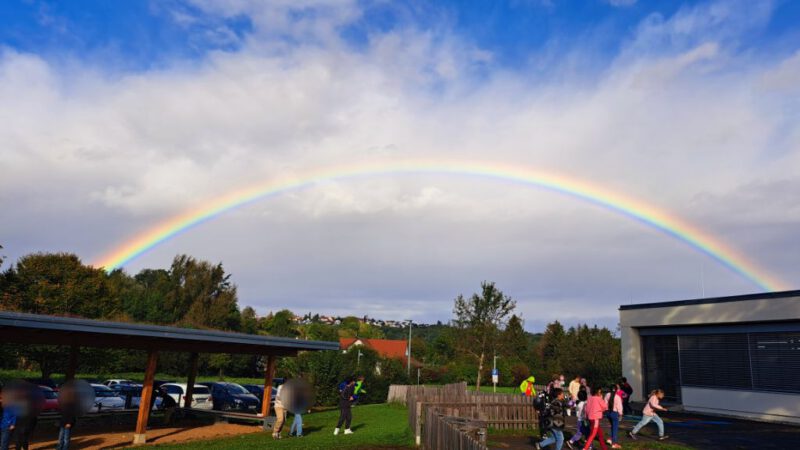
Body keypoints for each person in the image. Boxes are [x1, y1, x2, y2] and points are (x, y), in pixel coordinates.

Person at [566, 385, 589, 449]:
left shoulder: (578, 403)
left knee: (580, 433)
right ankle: (589, 446)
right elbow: (585, 412)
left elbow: (572, 406)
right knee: (587, 433)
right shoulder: (584, 404)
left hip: (579, 420)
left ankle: (571, 441)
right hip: (583, 421)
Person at [603, 383, 623, 449]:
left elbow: (605, 404)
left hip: (608, 412)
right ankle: (614, 443)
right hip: (614, 413)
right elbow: (619, 407)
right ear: (616, 390)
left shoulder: (607, 395)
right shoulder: (617, 397)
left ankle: (610, 439)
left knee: (612, 426)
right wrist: (620, 414)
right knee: (615, 428)